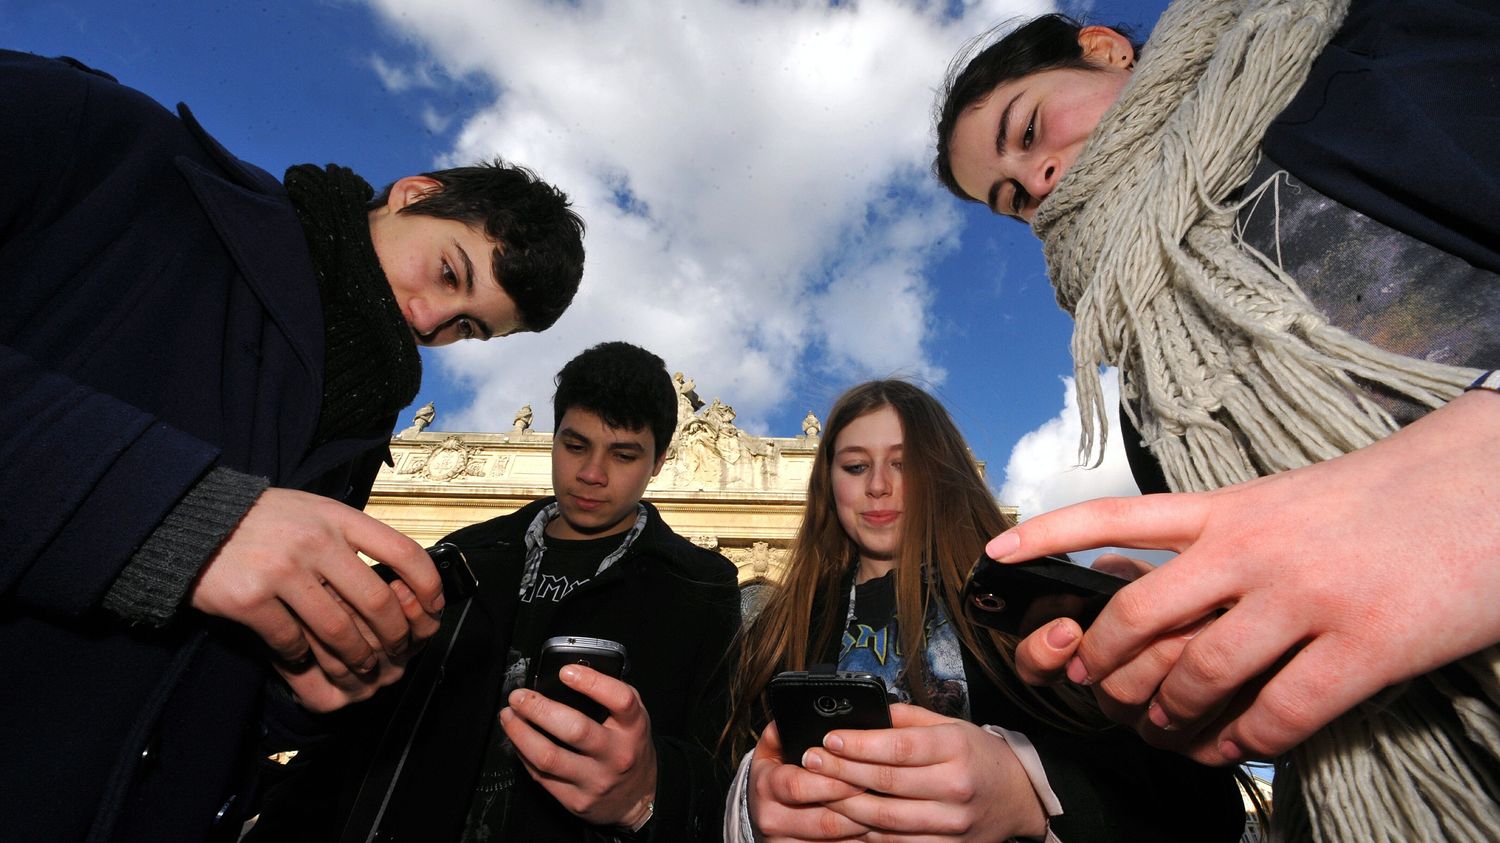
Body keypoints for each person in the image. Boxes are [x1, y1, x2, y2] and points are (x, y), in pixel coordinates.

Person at [933, 0, 1500, 838]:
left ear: (1103, 51)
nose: (1038, 180)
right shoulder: (1148, 380)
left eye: (1030, 130)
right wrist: (1201, 637)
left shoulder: (1369, 47)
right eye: (1010, 195)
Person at [0, 49, 584, 841]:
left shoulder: (350, 441)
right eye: (446, 273)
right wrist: (176, 517)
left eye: (467, 327)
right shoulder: (114, 150)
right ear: (416, 193)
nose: (425, 322)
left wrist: (302, 686)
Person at [248, 341, 742, 842]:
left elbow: (718, 766)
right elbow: (355, 727)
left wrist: (647, 794)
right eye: (574, 446)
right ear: (553, 440)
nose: (592, 474)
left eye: (623, 455)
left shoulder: (702, 584)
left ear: (658, 463)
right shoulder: (466, 554)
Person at [722, 380, 1244, 841]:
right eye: (856, 466)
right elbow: (720, 761)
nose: (877, 484)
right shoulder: (778, 623)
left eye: (903, 464)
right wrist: (752, 803)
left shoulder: (1034, 596)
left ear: (944, 474)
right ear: (827, 485)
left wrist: (1028, 793)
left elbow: (1201, 802)